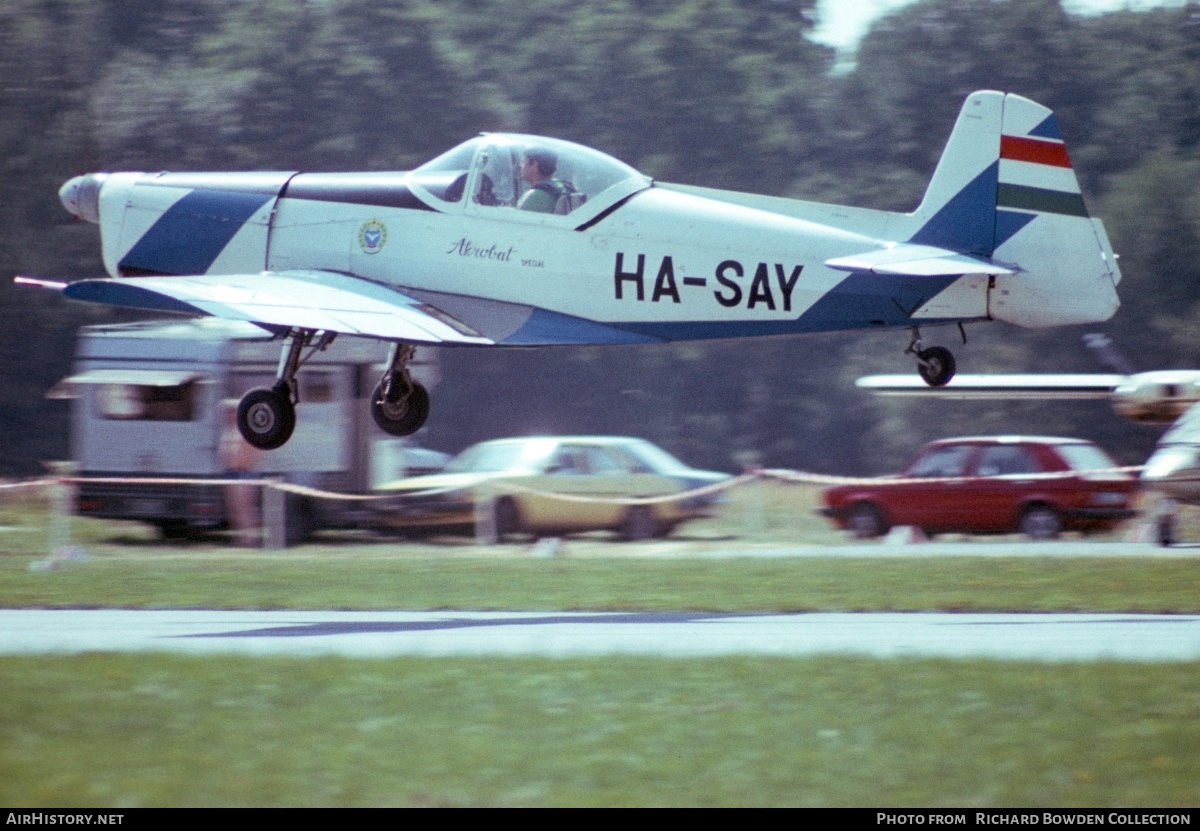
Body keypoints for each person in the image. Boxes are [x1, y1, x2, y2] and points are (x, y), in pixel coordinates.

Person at [218, 400, 263, 547]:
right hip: (231, 474)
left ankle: (250, 540)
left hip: (243, 474)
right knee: (235, 509)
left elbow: (255, 452)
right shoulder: (230, 429)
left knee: (244, 508)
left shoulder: (247, 430)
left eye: (231, 411)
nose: (227, 414)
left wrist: (245, 463)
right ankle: (242, 538)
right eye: (227, 412)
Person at [517, 147, 569, 213]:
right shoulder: (562, 186)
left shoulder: (534, 197)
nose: (520, 165)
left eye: (523, 161)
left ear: (535, 166)